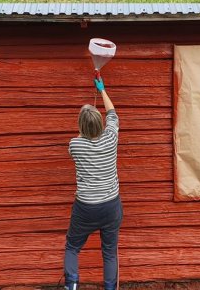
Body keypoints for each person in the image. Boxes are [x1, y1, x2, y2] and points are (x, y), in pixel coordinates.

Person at [64, 74, 122, 290]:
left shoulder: (75, 145)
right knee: (109, 252)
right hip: (111, 206)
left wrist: (85, 125)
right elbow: (113, 114)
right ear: (100, 123)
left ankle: (72, 286)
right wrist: (102, 89)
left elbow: (82, 135)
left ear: (81, 126)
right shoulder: (111, 138)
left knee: (72, 247)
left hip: (85, 208)